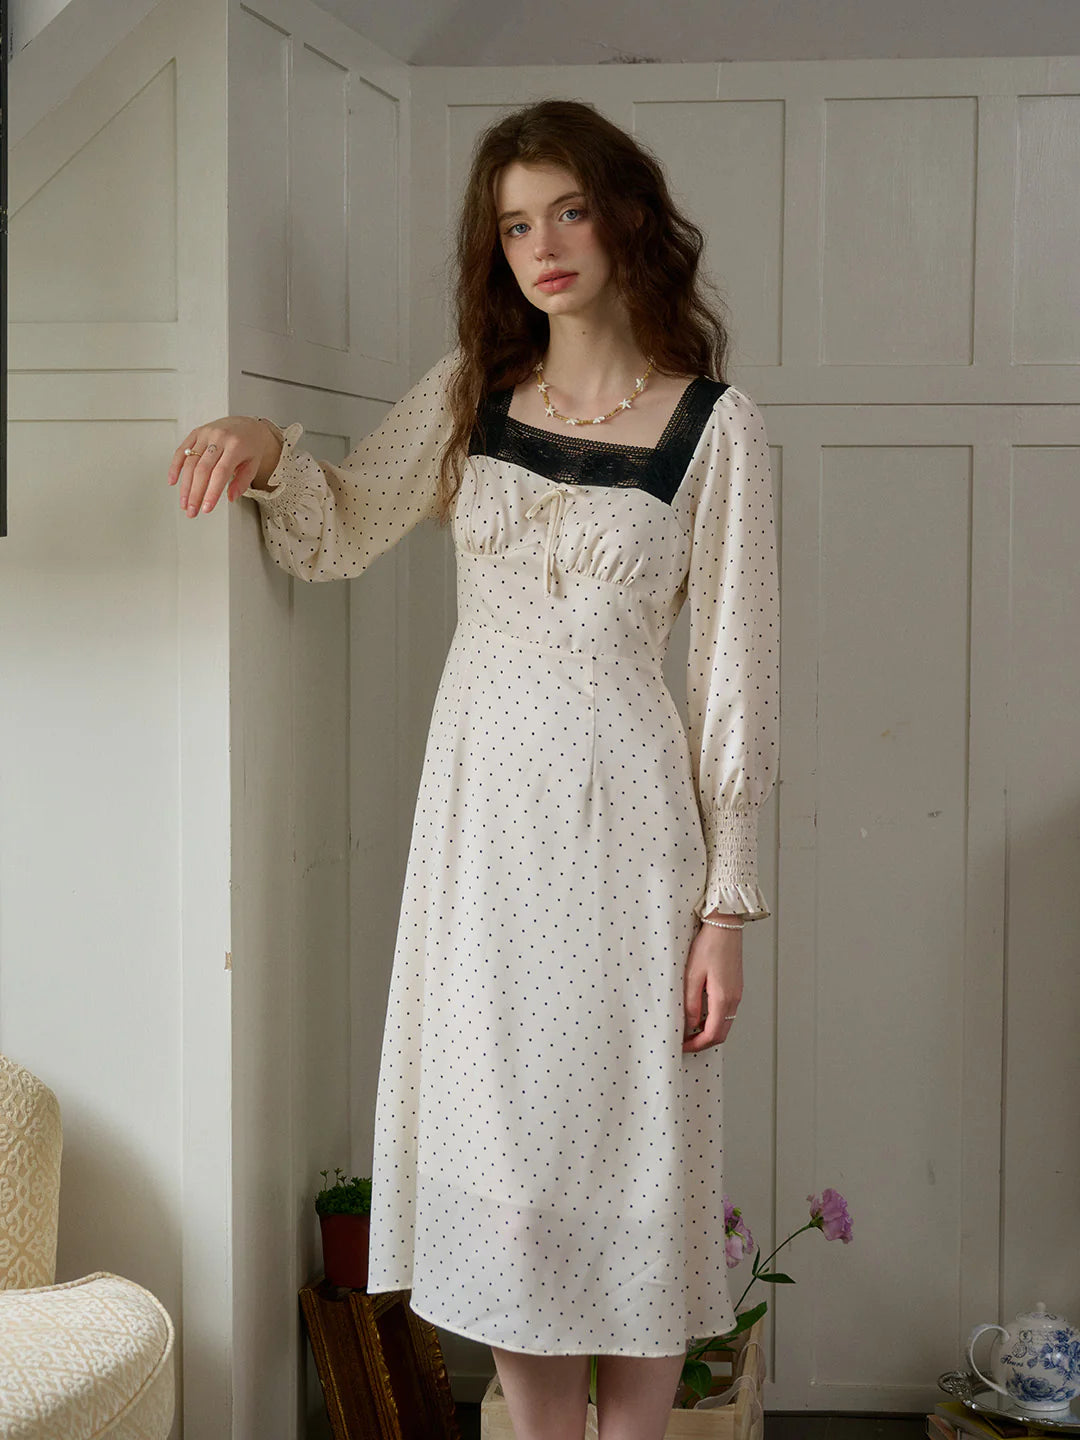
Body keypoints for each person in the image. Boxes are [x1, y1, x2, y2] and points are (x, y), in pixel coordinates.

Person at [167, 99, 779, 1440]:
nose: (542, 247)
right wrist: (266, 445)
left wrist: (727, 907)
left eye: (569, 212)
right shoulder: (471, 396)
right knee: (505, 1172)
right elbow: (337, 529)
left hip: (632, 836)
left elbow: (735, 677)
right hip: (482, 830)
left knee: (633, 1158)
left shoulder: (715, 427)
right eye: (513, 226)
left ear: (627, 218)